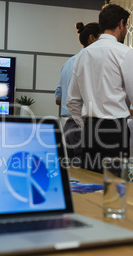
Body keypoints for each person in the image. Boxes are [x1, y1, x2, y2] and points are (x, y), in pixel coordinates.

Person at [67, 4, 133, 173]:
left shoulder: (83, 54)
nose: (126, 30)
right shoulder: (125, 53)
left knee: (91, 185)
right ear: (121, 23)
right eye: (127, 25)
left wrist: (85, 127)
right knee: (114, 188)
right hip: (114, 131)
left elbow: (72, 101)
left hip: (90, 131)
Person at [55, 21, 101, 161]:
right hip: (84, 126)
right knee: (88, 175)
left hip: (69, 126)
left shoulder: (68, 63)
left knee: (75, 175)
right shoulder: (91, 62)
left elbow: (58, 99)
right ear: (92, 38)